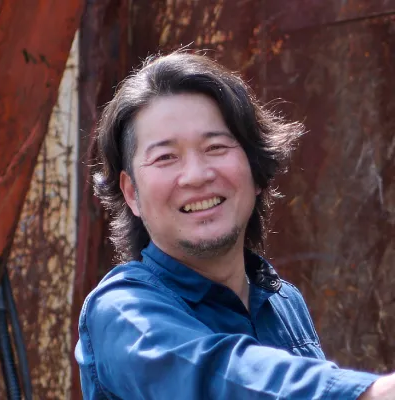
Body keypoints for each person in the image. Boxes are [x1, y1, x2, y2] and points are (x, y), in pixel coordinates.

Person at [75, 51, 394, 399]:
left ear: (256, 171)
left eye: (215, 147)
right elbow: (216, 376)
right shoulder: (120, 312)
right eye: (166, 157)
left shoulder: (283, 301)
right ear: (131, 193)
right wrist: (369, 394)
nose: (196, 175)